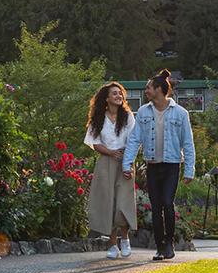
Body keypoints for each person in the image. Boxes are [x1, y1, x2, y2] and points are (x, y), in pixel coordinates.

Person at [121, 69, 196, 261]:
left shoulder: (180, 113)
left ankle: (169, 243)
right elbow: (135, 139)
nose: (146, 91)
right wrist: (127, 163)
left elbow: (187, 142)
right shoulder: (144, 112)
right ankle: (160, 246)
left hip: (172, 165)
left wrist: (189, 169)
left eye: (149, 88)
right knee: (155, 207)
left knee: (167, 204)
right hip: (153, 165)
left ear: (159, 89)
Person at [83, 82, 136, 259]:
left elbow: (134, 141)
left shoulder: (128, 117)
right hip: (106, 162)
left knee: (123, 202)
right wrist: (111, 152)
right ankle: (112, 244)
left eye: (120, 93)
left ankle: (125, 239)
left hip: (125, 161)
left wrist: (128, 162)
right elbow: (95, 142)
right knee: (108, 202)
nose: (118, 96)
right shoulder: (98, 118)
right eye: (114, 93)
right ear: (106, 98)